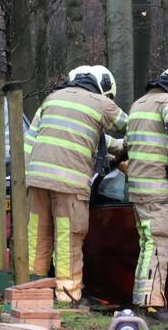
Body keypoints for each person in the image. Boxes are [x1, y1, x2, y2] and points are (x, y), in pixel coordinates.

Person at [25, 65, 128, 305]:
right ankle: (68, 295)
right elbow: (131, 128)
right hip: (69, 185)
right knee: (68, 237)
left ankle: (32, 291)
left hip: (36, 180)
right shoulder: (101, 104)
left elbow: (36, 140)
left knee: (37, 235)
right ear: (103, 88)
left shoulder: (52, 98)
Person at [124, 67, 168, 322]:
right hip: (156, 188)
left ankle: (142, 300)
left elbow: (129, 144)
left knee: (147, 244)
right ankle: (153, 305)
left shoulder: (138, 104)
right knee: (158, 244)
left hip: (137, 188)